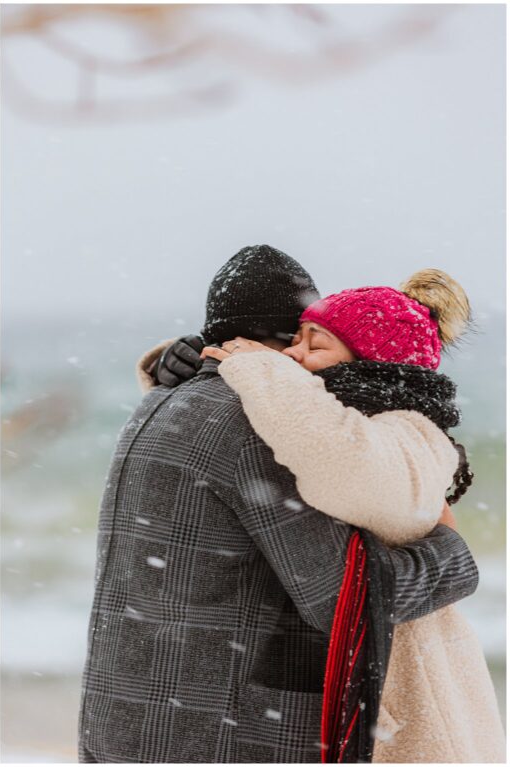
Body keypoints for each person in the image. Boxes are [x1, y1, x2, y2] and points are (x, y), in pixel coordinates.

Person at [78, 245, 479, 763]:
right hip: (221, 734)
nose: (298, 360)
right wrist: (451, 557)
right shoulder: (259, 425)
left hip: (129, 715)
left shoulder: (158, 402)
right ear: (291, 333)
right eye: (301, 339)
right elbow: (342, 598)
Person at [186, 270, 503, 763]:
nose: (292, 355)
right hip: (377, 676)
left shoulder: (410, 434)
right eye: (294, 340)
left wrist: (259, 371)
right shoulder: (348, 417)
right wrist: (188, 368)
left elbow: (340, 464)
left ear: (373, 365)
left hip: (417, 693)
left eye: (317, 345)